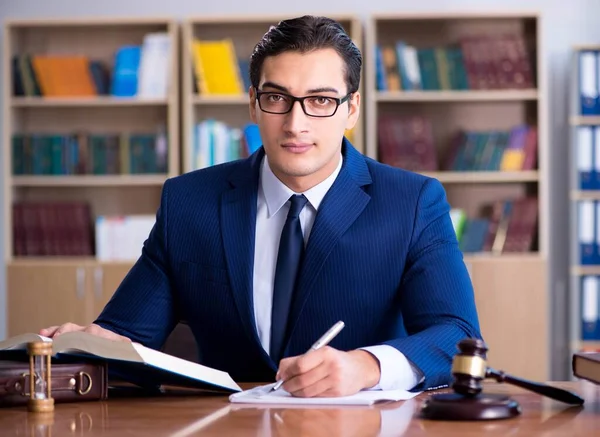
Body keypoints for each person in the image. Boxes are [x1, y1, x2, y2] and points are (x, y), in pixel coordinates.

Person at [41, 15, 481, 398]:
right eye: (277, 98)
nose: (296, 123)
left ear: (352, 110)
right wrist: (88, 341)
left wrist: (366, 368)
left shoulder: (412, 202)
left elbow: (456, 335)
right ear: (253, 103)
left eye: (321, 100)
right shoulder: (189, 202)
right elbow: (129, 335)